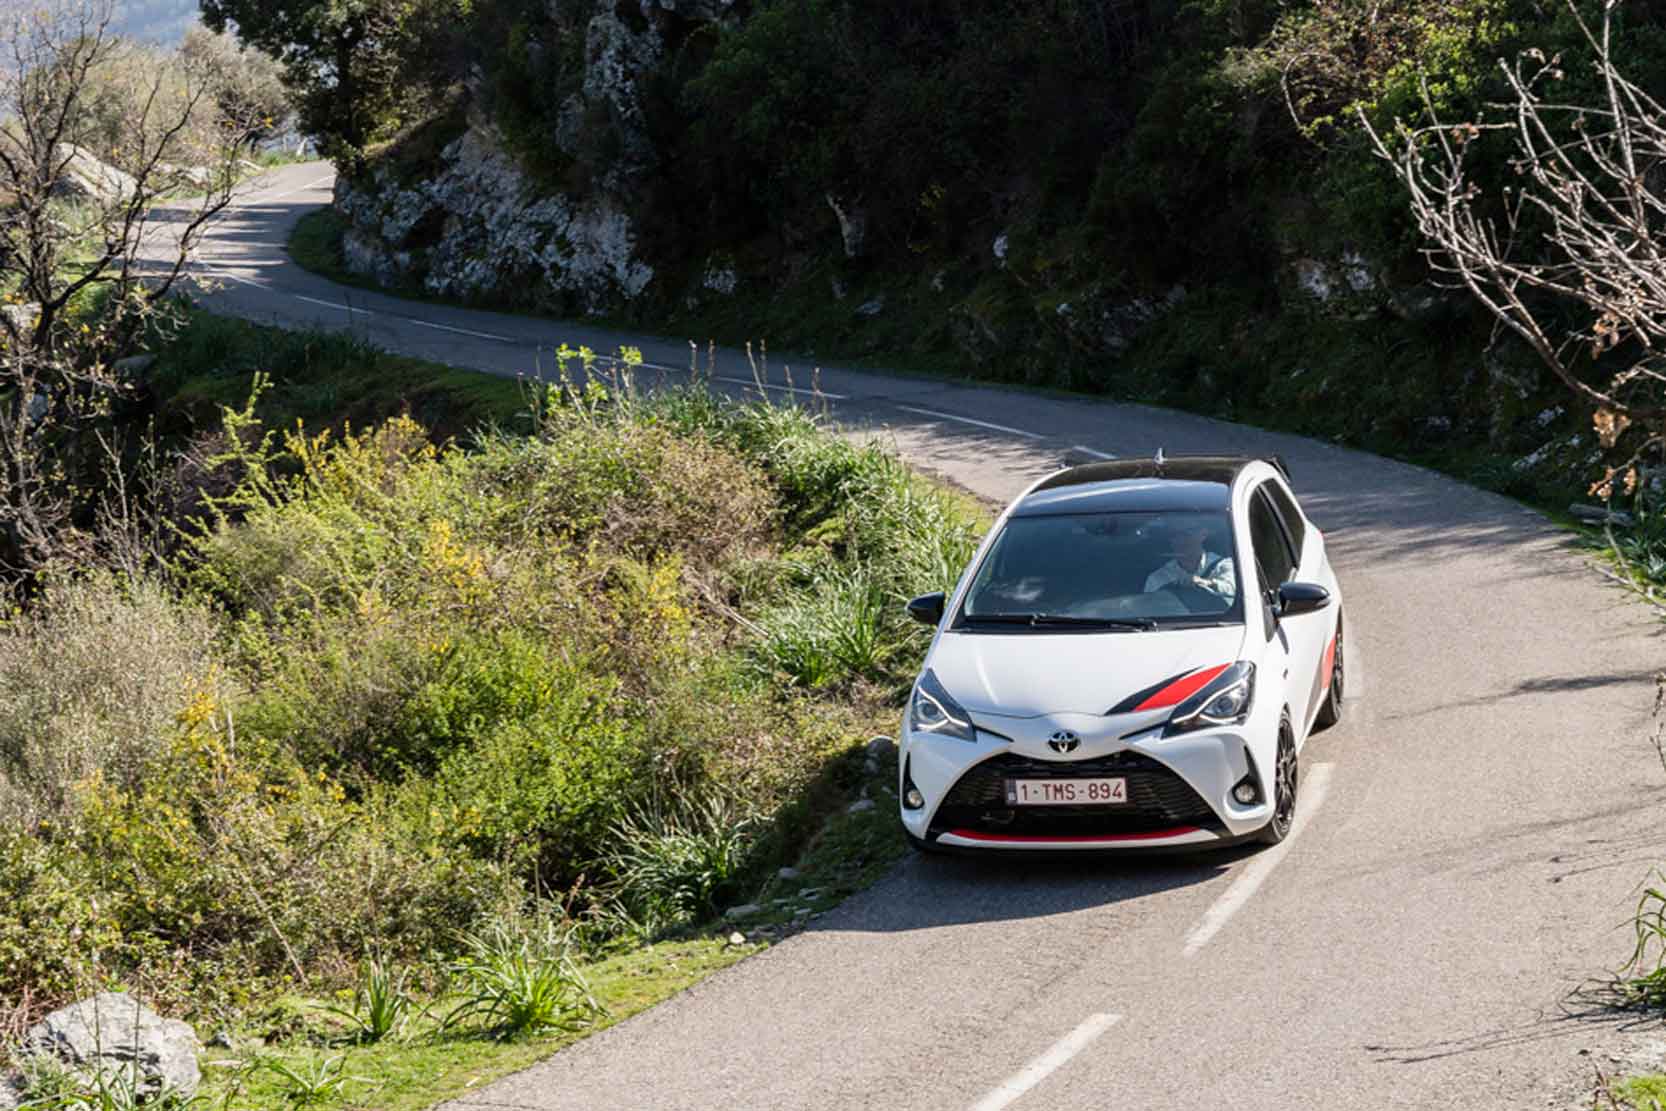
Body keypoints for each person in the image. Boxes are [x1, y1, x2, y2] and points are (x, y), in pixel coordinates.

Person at [1143, 521, 1236, 602]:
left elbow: (1235, 589)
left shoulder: (1224, 565)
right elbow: (1150, 608)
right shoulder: (1158, 578)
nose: (1181, 540)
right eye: (1174, 534)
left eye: (1188, 532)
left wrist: (1207, 583)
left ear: (1203, 534)